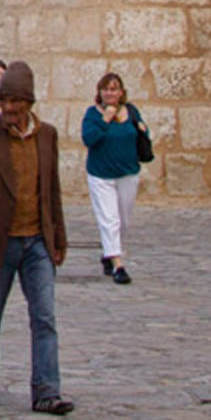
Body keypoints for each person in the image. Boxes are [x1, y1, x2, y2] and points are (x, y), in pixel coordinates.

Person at [0, 60, 72, 413]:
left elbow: (50, 188)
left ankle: (46, 390)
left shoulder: (47, 136)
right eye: (5, 101)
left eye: (16, 102)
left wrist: (58, 236)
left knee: (44, 317)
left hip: (37, 239)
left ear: (29, 103)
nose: (9, 109)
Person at [79, 71, 146, 285]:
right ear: (100, 92)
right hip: (101, 175)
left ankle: (109, 253)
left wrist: (143, 130)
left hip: (127, 172)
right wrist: (105, 120)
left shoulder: (131, 111)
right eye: (106, 89)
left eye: (114, 88)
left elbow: (139, 134)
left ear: (121, 92)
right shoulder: (93, 114)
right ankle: (118, 265)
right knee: (110, 220)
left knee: (123, 220)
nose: (110, 93)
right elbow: (89, 138)